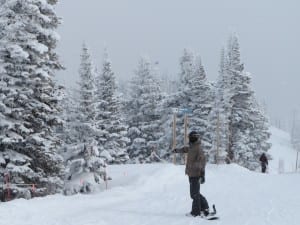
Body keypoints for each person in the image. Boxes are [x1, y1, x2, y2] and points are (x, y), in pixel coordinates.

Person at [173, 131, 210, 217]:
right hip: (191, 173)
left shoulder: (198, 148)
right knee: (195, 193)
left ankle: (195, 212)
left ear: (195, 138)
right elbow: (185, 149)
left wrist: (202, 174)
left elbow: (202, 162)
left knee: (194, 194)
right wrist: (177, 150)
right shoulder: (192, 147)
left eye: (191, 137)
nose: (189, 139)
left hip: (196, 174)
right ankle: (204, 207)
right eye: (189, 137)